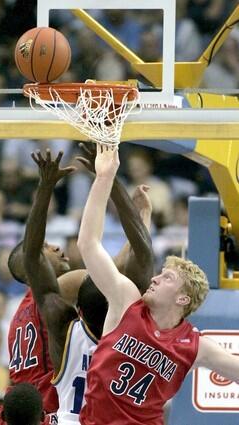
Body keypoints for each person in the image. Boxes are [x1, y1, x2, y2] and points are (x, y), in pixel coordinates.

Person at [0, 145, 153, 425]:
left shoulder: (20, 314)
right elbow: (118, 269)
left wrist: (46, 187)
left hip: (23, 405)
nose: (58, 248)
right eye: (48, 247)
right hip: (47, 402)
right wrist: (114, 185)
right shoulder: (74, 293)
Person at [77, 144, 239, 425]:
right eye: (161, 273)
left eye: (167, 278)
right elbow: (88, 245)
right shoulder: (126, 300)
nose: (154, 278)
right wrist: (104, 177)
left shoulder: (195, 346)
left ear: (183, 299)